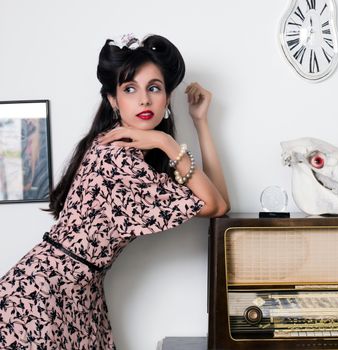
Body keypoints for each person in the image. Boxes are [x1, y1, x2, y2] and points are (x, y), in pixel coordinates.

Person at [0, 33, 230, 349]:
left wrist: (201, 122)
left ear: (167, 98)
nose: (144, 100)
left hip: (75, 293)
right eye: (129, 89)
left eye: (154, 88)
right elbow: (214, 205)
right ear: (113, 100)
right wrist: (166, 141)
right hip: (40, 297)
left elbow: (219, 202)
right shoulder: (117, 157)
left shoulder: (132, 155)